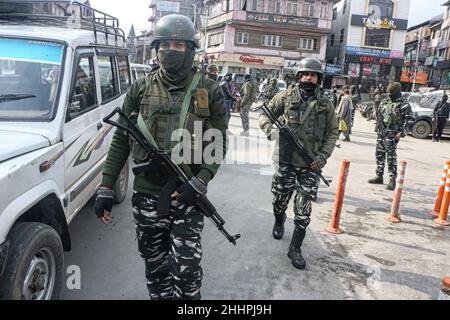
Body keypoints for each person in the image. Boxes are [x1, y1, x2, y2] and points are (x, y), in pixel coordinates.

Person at [93, 14, 228, 300]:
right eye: (165, 44)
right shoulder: (140, 89)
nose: (171, 50)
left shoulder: (210, 91)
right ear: (156, 48)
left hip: (188, 194)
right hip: (146, 196)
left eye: (179, 45)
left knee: (187, 272)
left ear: (191, 50)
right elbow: (121, 138)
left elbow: (217, 143)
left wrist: (201, 181)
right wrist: (106, 186)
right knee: (155, 268)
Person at [258, 58, 338, 270]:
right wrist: (271, 130)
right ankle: (279, 220)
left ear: (318, 78)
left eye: (312, 75)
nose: (308, 78)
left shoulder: (326, 104)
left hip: (310, 164)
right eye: (305, 74)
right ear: (299, 76)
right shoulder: (285, 96)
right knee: (279, 201)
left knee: (303, 211)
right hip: (285, 160)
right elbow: (264, 115)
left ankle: (295, 249)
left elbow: (332, 132)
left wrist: (322, 157)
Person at [368, 82, 410, 191]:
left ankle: (392, 180)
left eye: (391, 93)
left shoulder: (403, 104)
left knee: (391, 157)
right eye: (388, 92)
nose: (389, 95)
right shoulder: (385, 101)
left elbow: (410, 120)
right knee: (379, 154)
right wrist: (374, 115)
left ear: (397, 93)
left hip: (393, 134)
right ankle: (379, 176)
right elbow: (379, 113)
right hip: (381, 132)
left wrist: (401, 133)